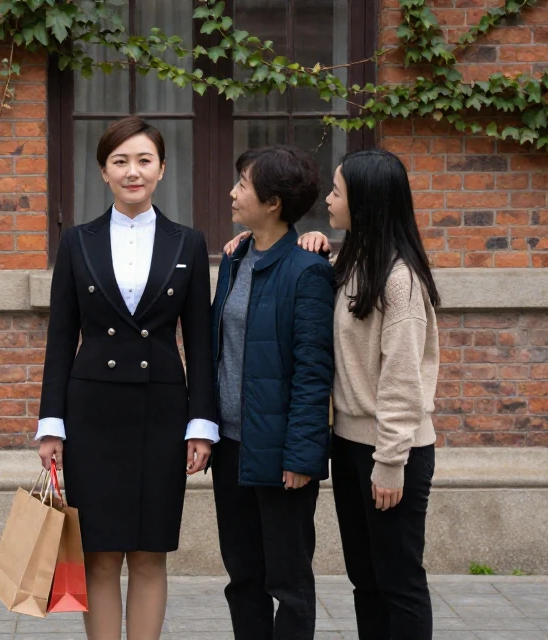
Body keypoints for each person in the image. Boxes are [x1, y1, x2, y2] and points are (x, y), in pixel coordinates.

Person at [225, 148, 441, 640]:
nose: (329, 198)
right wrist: (307, 244)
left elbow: (403, 379)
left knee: (400, 581)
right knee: (365, 580)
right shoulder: (351, 264)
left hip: (392, 452)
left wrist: (390, 461)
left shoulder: (399, 278)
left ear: (365, 201)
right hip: (347, 445)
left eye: (339, 191)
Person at [37, 116, 219, 640]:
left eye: (143, 160)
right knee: (98, 553)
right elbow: (59, 338)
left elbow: (200, 342)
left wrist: (200, 425)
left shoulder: (188, 243)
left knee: (149, 552)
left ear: (161, 169)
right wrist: (52, 424)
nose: (132, 171)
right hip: (91, 412)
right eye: (121, 161)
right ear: (103, 171)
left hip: (161, 413)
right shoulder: (77, 242)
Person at [210, 145, 335, 640]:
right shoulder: (237, 257)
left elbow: (313, 371)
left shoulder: (308, 271)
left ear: (273, 203)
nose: (233, 192)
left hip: (281, 454)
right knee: (243, 580)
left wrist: (303, 457)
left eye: (243, 183)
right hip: (232, 448)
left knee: (289, 582)